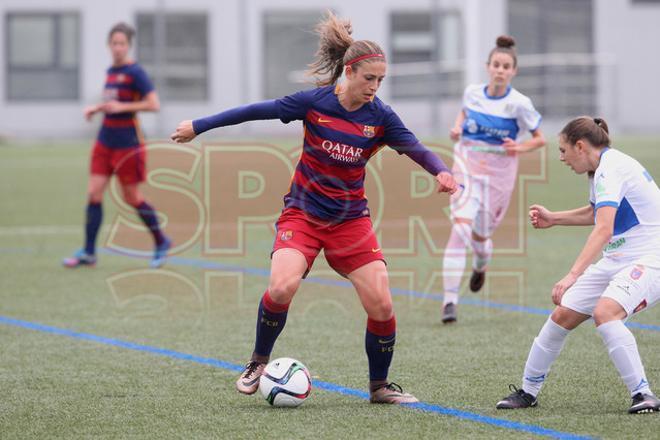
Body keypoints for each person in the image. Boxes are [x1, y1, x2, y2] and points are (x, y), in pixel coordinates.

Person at [171, 12, 458, 404]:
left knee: (382, 303)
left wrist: (442, 172)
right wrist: (199, 125)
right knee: (282, 285)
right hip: (303, 216)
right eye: (368, 78)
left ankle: (378, 387)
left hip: (350, 221)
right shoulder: (315, 102)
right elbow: (256, 110)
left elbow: (417, 149)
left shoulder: (381, 118)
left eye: (380, 80)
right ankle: (258, 361)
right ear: (350, 72)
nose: (374, 87)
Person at [496, 117, 660, 414]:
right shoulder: (601, 168)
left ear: (580, 146)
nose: (561, 158)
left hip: (650, 258)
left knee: (605, 312)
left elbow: (603, 228)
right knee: (562, 315)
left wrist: (572, 275)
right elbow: (597, 212)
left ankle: (643, 394)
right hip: (619, 257)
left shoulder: (611, 168)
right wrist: (554, 218)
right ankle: (528, 392)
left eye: (563, 150)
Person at [441, 35, 546, 323]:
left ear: (514, 71)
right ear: (488, 66)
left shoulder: (519, 104)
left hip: (499, 175)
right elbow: (463, 112)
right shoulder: (473, 92)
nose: (500, 70)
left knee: (480, 235)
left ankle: (480, 264)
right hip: (466, 165)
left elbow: (540, 139)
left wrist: (519, 147)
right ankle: (449, 301)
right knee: (459, 229)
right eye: (496, 65)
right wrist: (457, 127)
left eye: (506, 66)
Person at [63, 22, 171, 269]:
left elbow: (154, 104)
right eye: (114, 43)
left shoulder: (136, 73)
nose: (118, 48)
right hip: (105, 140)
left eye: (122, 43)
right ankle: (89, 252)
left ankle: (161, 241)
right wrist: (96, 108)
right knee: (93, 193)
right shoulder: (110, 70)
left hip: (127, 143)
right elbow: (113, 102)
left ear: (128, 45)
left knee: (132, 197)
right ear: (109, 45)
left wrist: (123, 108)